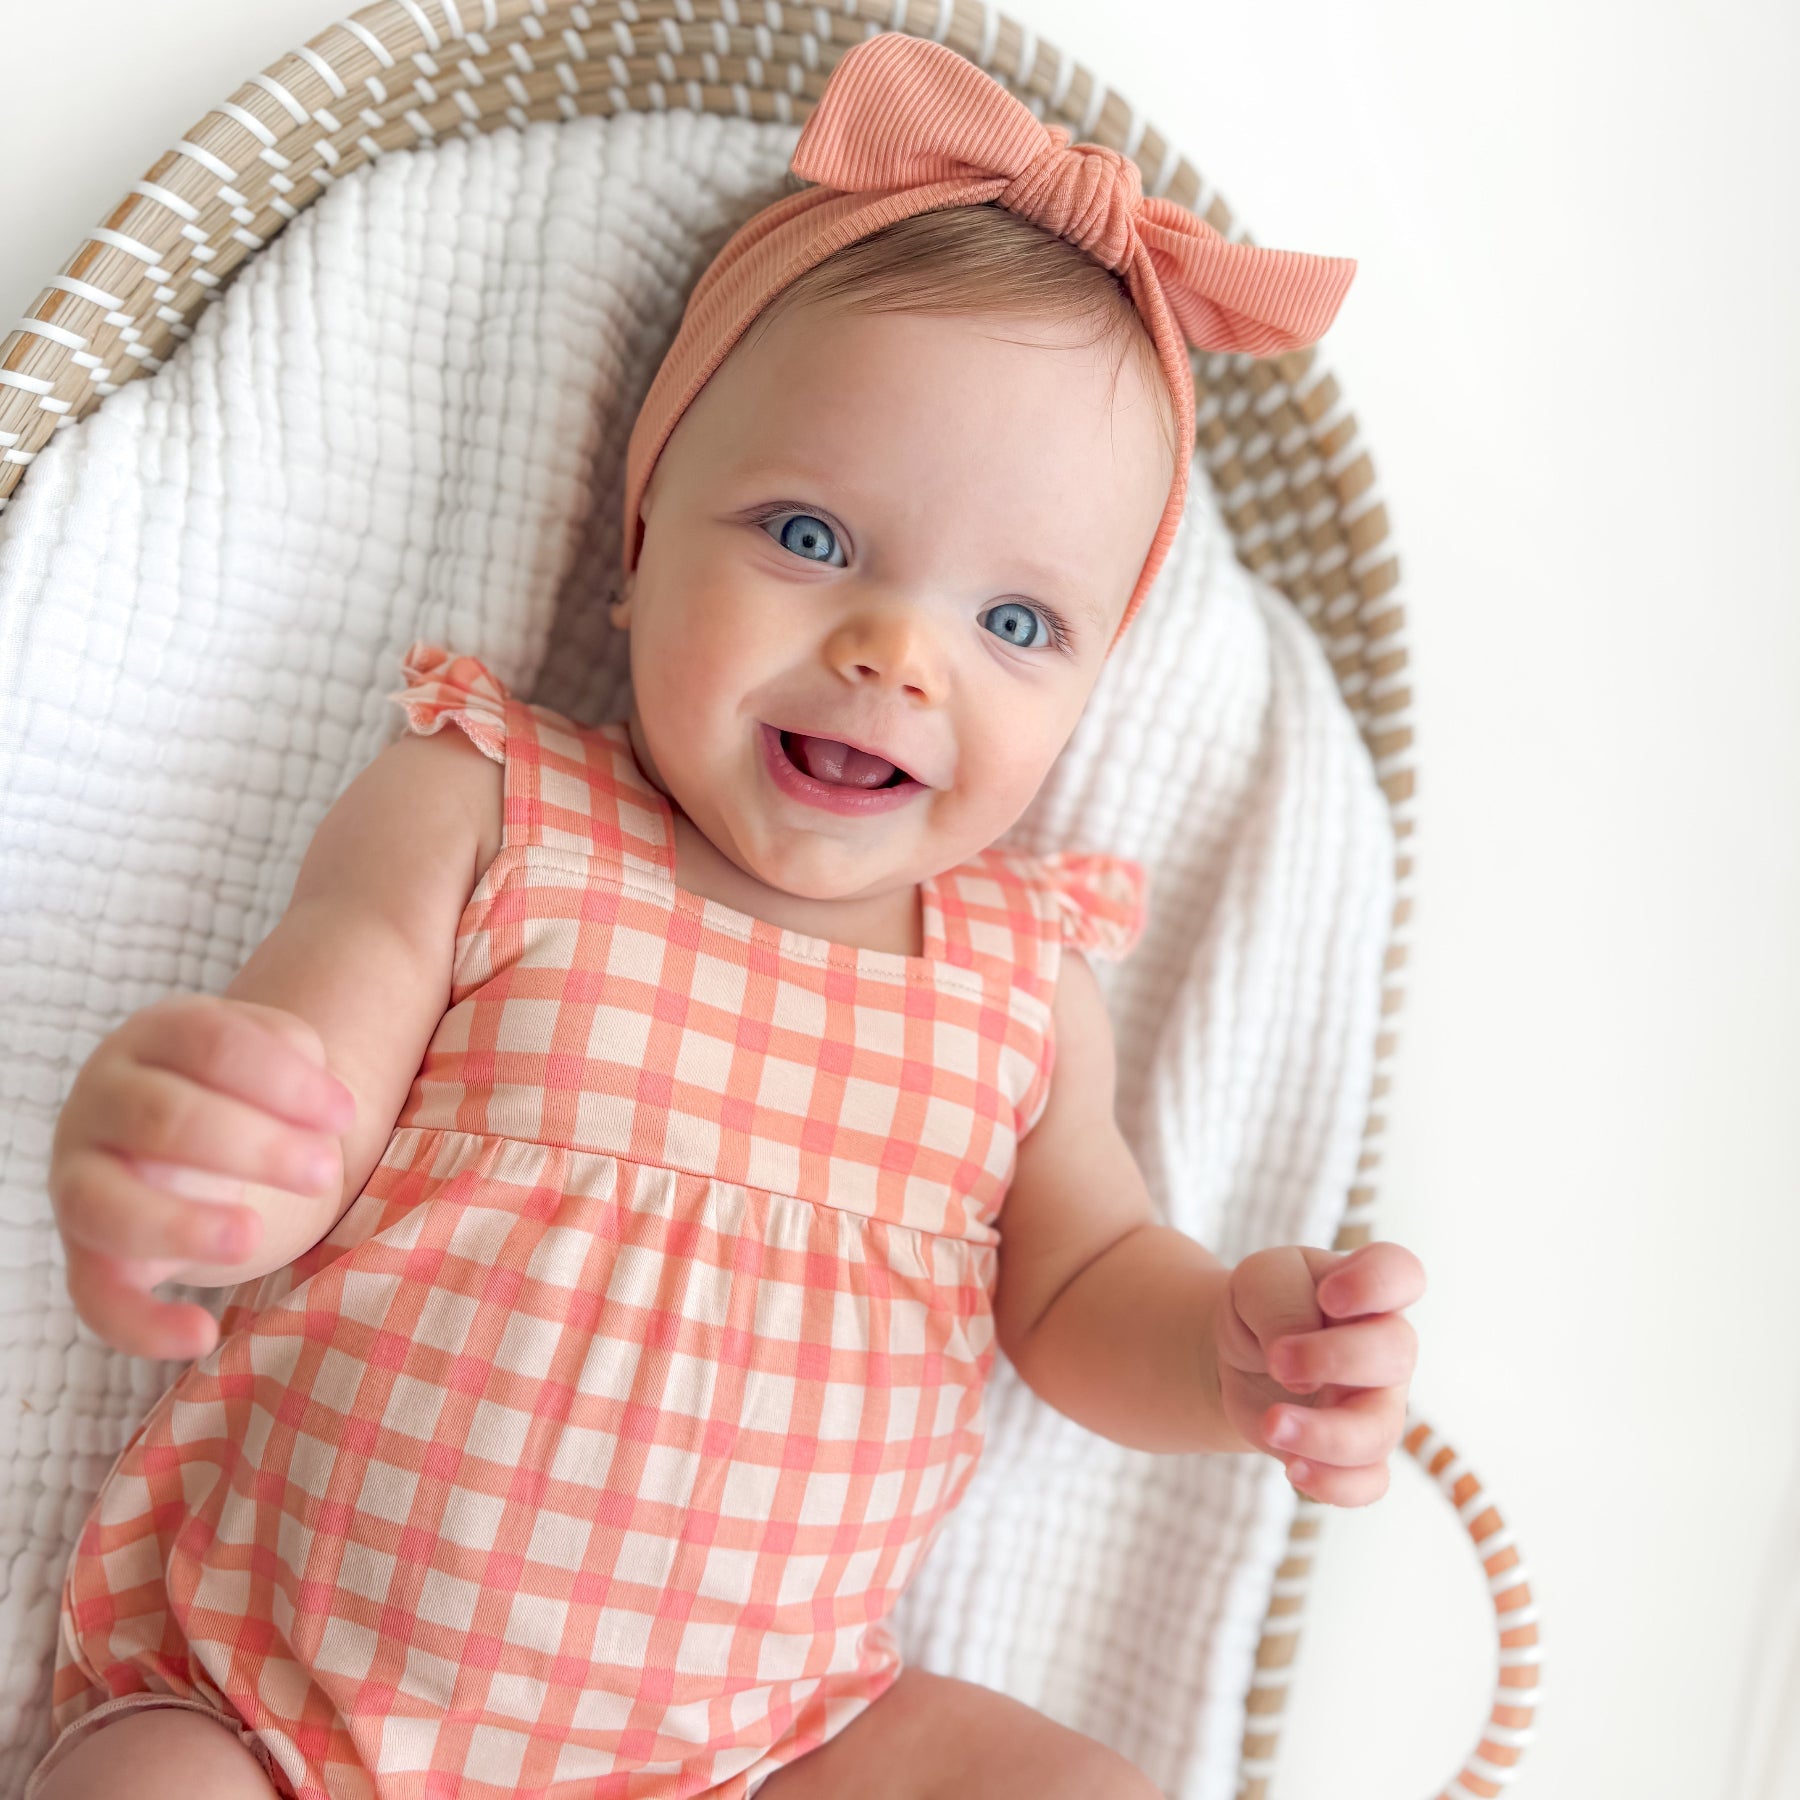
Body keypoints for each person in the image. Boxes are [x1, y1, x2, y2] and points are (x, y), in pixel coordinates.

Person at [31, 31, 1423, 1800]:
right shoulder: (490, 810)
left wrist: (1232, 1350)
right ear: (638, 541)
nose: (895, 654)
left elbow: (1083, 1289)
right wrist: (201, 1144)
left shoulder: (1017, 985)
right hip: (285, 1717)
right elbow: (312, 1067)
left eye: (1015, 625)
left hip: (769, 1753)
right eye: (810, 537)